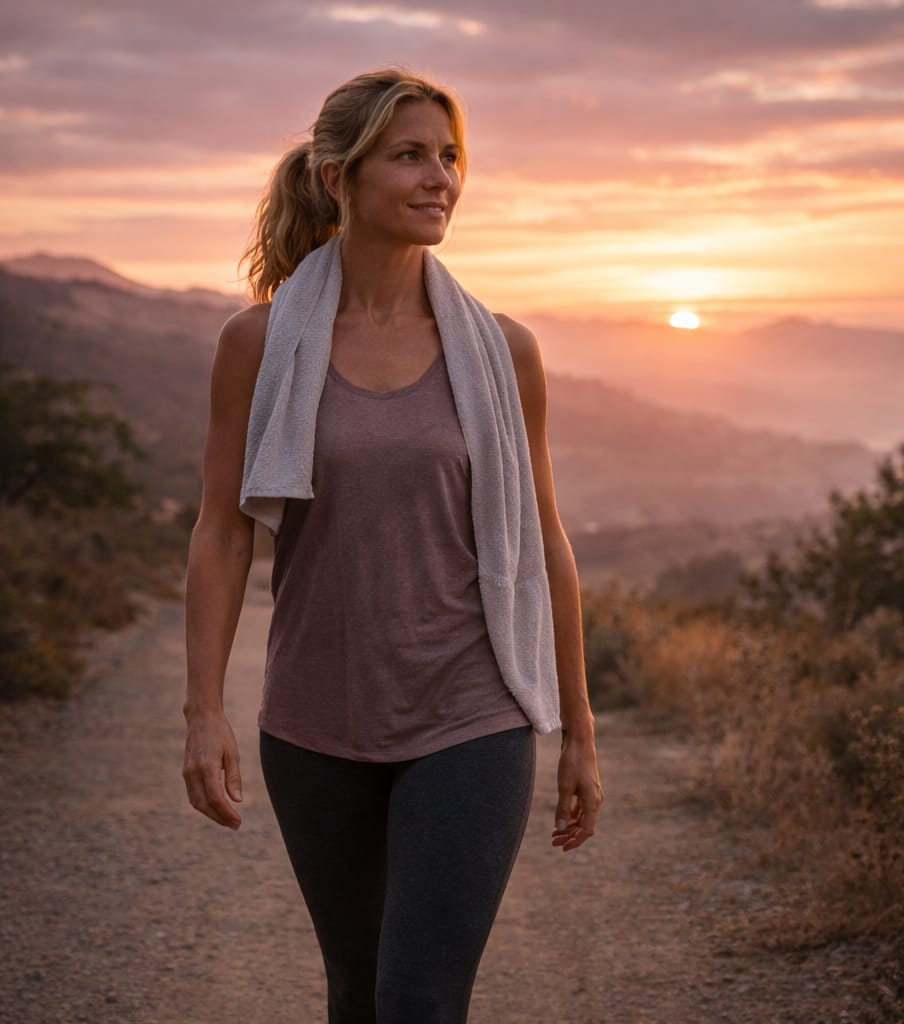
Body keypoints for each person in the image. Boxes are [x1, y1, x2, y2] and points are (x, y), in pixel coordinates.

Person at [181, 67, 603, 1023]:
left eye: (450, 157)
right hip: (314, 718)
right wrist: (201, 711)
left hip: (471, 713)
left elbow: (544, 541)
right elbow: (220, 532)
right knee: (358, 993)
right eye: (410, 155)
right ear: (339, 176)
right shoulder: (259, 344)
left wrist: (577, 727)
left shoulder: (504, 352)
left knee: (419, 999)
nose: (440, 178)